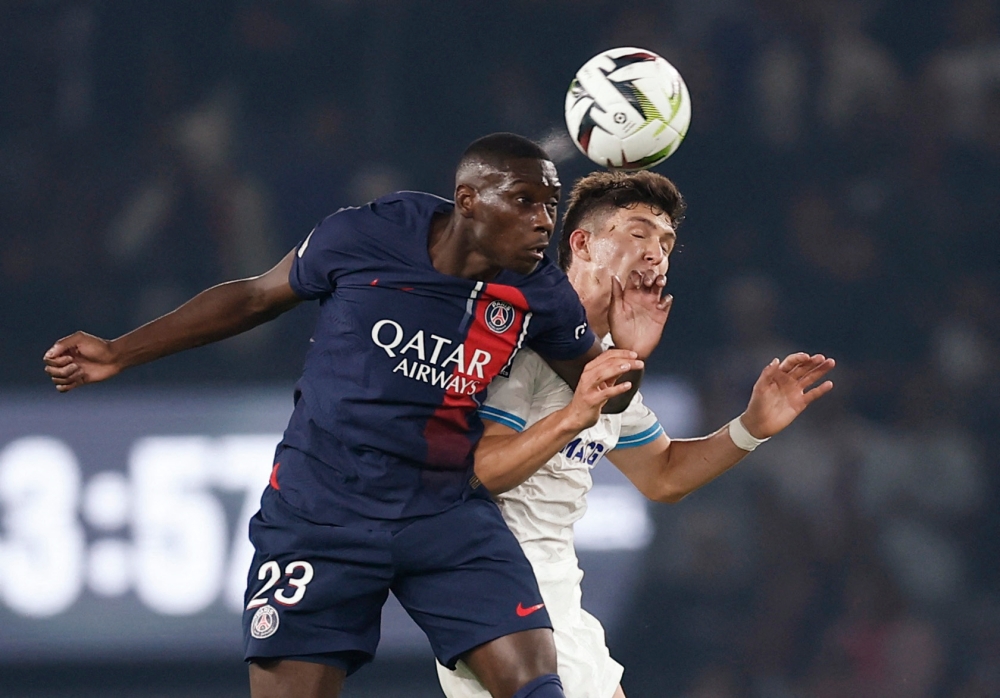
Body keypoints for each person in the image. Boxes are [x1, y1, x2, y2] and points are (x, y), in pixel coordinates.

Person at [43, 133, 672, 698]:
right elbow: (256, 297)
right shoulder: (368, 235)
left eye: (550, 207)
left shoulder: (540, 293)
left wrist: (628, 355)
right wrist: (119, 352)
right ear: (470, 201)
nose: (543, 223)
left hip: (443, 512)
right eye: (527, 202)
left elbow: (601, 392)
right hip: (323, 513)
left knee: (539, 688)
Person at [436, 169, 835, 698]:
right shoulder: (520, 338)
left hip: (557, 602)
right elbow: (478, 472)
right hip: (494, 592)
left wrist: (750, 427)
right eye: (639, 234)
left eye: (666, 242)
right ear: (582, 243)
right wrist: (578, 412)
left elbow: (663, 475)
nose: (657, 255)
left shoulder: (606, 363)